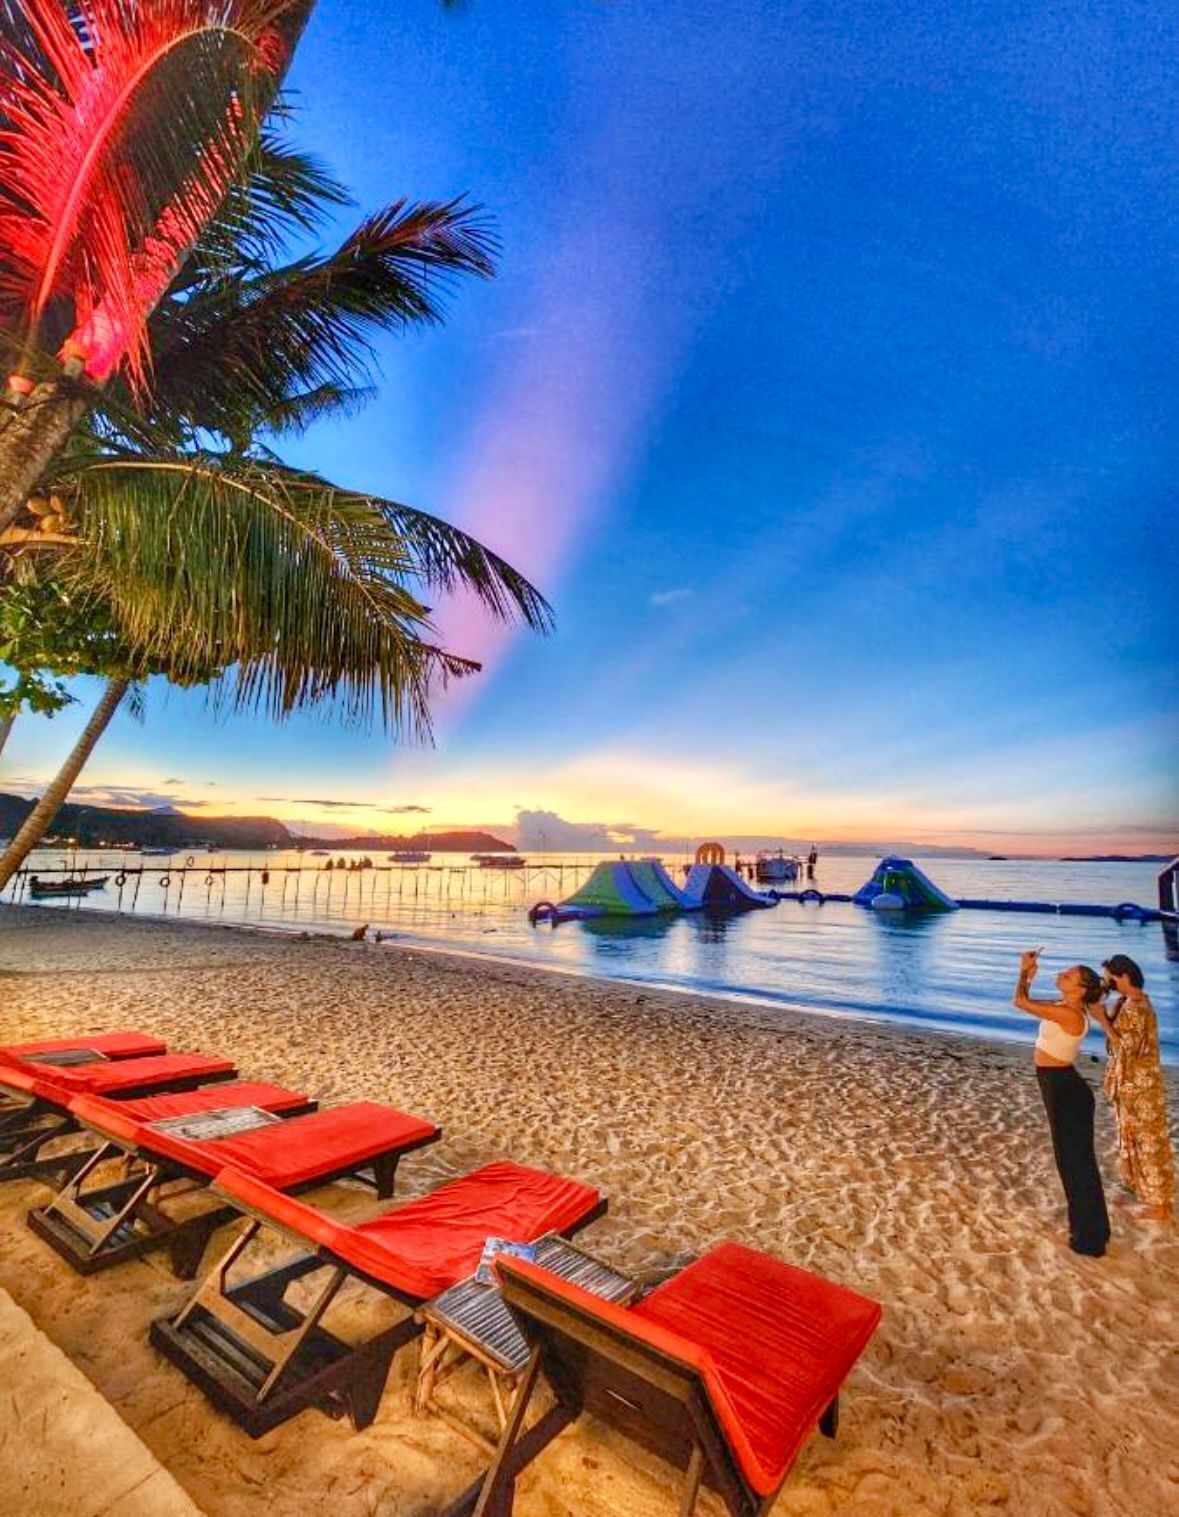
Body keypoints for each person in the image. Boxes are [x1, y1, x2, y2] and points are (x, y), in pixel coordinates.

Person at [1012, 950, 1110, 1256]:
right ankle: (1092, 1230)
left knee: (1075, 1163)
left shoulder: (1069, 1014)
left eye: (1069, 976)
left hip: (1065, 1089)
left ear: (1080, 989)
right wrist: (1028, 974)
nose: (1062, 975)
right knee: (1074, 1162)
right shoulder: (1063, 1007)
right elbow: (1028, 1001)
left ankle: (1089, 1239)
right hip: (1060, 1086)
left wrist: (1024, 971)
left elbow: (1020, 1002)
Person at [1099, 954, 1174, 1223]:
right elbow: (1120, 1042)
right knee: (1131, 1139)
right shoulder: (1129, 1002)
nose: (1108, 984)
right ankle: (1142, 1191)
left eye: (1111, 978)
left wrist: (1101, 1020)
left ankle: (1159, 1205)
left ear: (1125, 977)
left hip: (1140, 1087)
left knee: (1148, 1143)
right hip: (1131, 1084)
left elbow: (1126, 1047)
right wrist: (1108, 1013)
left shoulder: (1138, 1007)